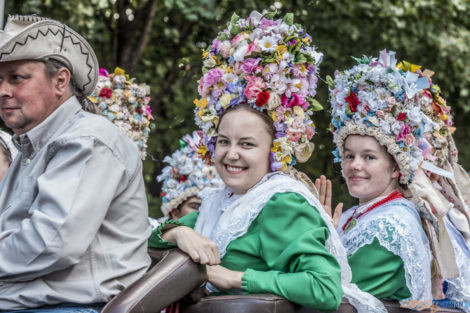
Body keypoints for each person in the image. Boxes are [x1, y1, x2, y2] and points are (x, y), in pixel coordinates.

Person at [149, 11, 386, 313]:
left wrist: (238, 278)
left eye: (246, 144)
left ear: (273, 151)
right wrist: (178, 232)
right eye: (224, 141)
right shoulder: (218, 201)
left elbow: (325, 288)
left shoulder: (280, 203)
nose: (231, 154)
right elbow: (152, 240)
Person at [0, 15, 150, 311]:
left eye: (17, 78)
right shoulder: (32, 146)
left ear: (60, 81)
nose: (3, 91)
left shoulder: (86, 139)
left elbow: (51, 242)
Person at [325, 49, 470, 310]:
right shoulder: (354, 215)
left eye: (369, 157)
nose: (354, 165)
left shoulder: (391, 223)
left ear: (396, 168)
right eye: (348, 156)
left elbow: (325, 291)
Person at [155, 130, 224, 224]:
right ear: (175, 213)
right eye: (196, 207)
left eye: (210, 207)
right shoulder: (151, 234)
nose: (203, 213)